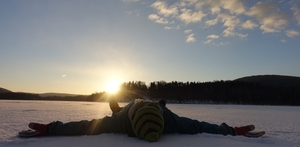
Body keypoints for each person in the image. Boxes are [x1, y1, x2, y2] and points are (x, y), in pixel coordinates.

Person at [24, 99, 255, 142]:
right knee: (118, 113)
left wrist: (49, 129)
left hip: (141, 110)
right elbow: (202, 127)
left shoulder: (122, 122)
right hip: (151, 108)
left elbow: (84, 126)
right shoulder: (171, 120)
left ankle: (118, 108)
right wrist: (233, 131)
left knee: (116, 115)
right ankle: (120, 108)